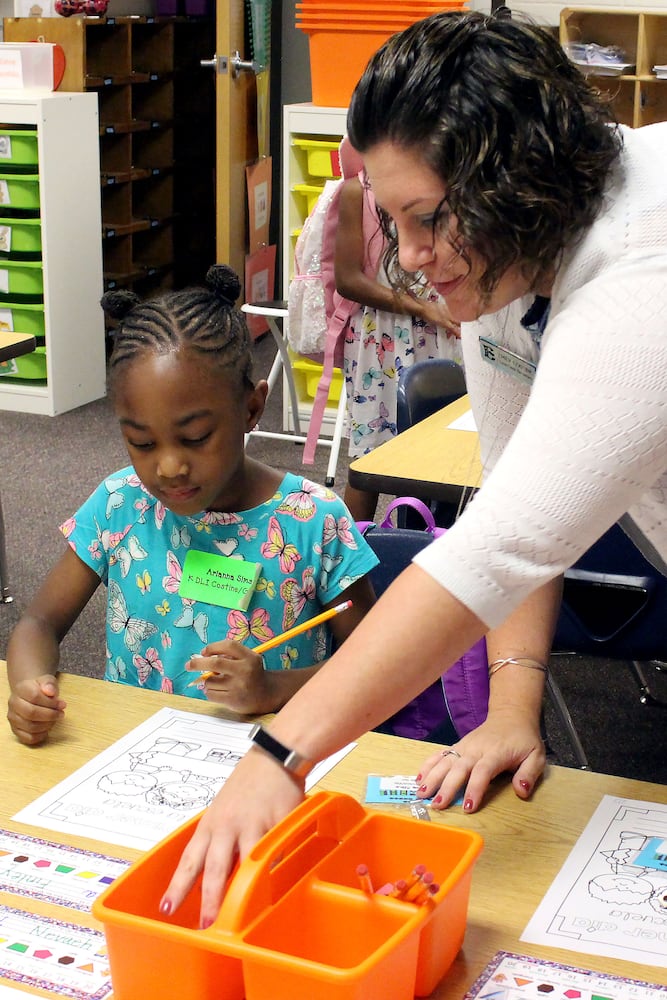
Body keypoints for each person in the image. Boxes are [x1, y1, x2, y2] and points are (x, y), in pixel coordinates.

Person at [160, 9, 666, 928]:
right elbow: (513, 492)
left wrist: (282, 753)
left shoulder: (641, 266)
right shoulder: (508, 247)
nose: (415, 259)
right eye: (393, 220)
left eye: (429, 219)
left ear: (523, 181)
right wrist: (512, 707)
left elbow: (504, 542)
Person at [6, 264, 377, 746]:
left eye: (196, 438)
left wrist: (272, 688)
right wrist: (29, 686)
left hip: (266, 765)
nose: (168, 468)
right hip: (134, 756)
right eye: (141, 443)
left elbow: (375, 664)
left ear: (250, 408)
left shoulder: (314, 521)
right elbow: (38, 623)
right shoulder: (122, 504)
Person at [335, 141, 462, 522]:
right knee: (368, 464)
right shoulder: (358, 190)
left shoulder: (447, 184)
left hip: (442, 333)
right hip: (381, 341)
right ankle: (340, 565)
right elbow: (347, 279)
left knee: (442, 461)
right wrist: (422, 307)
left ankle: (419, 548)